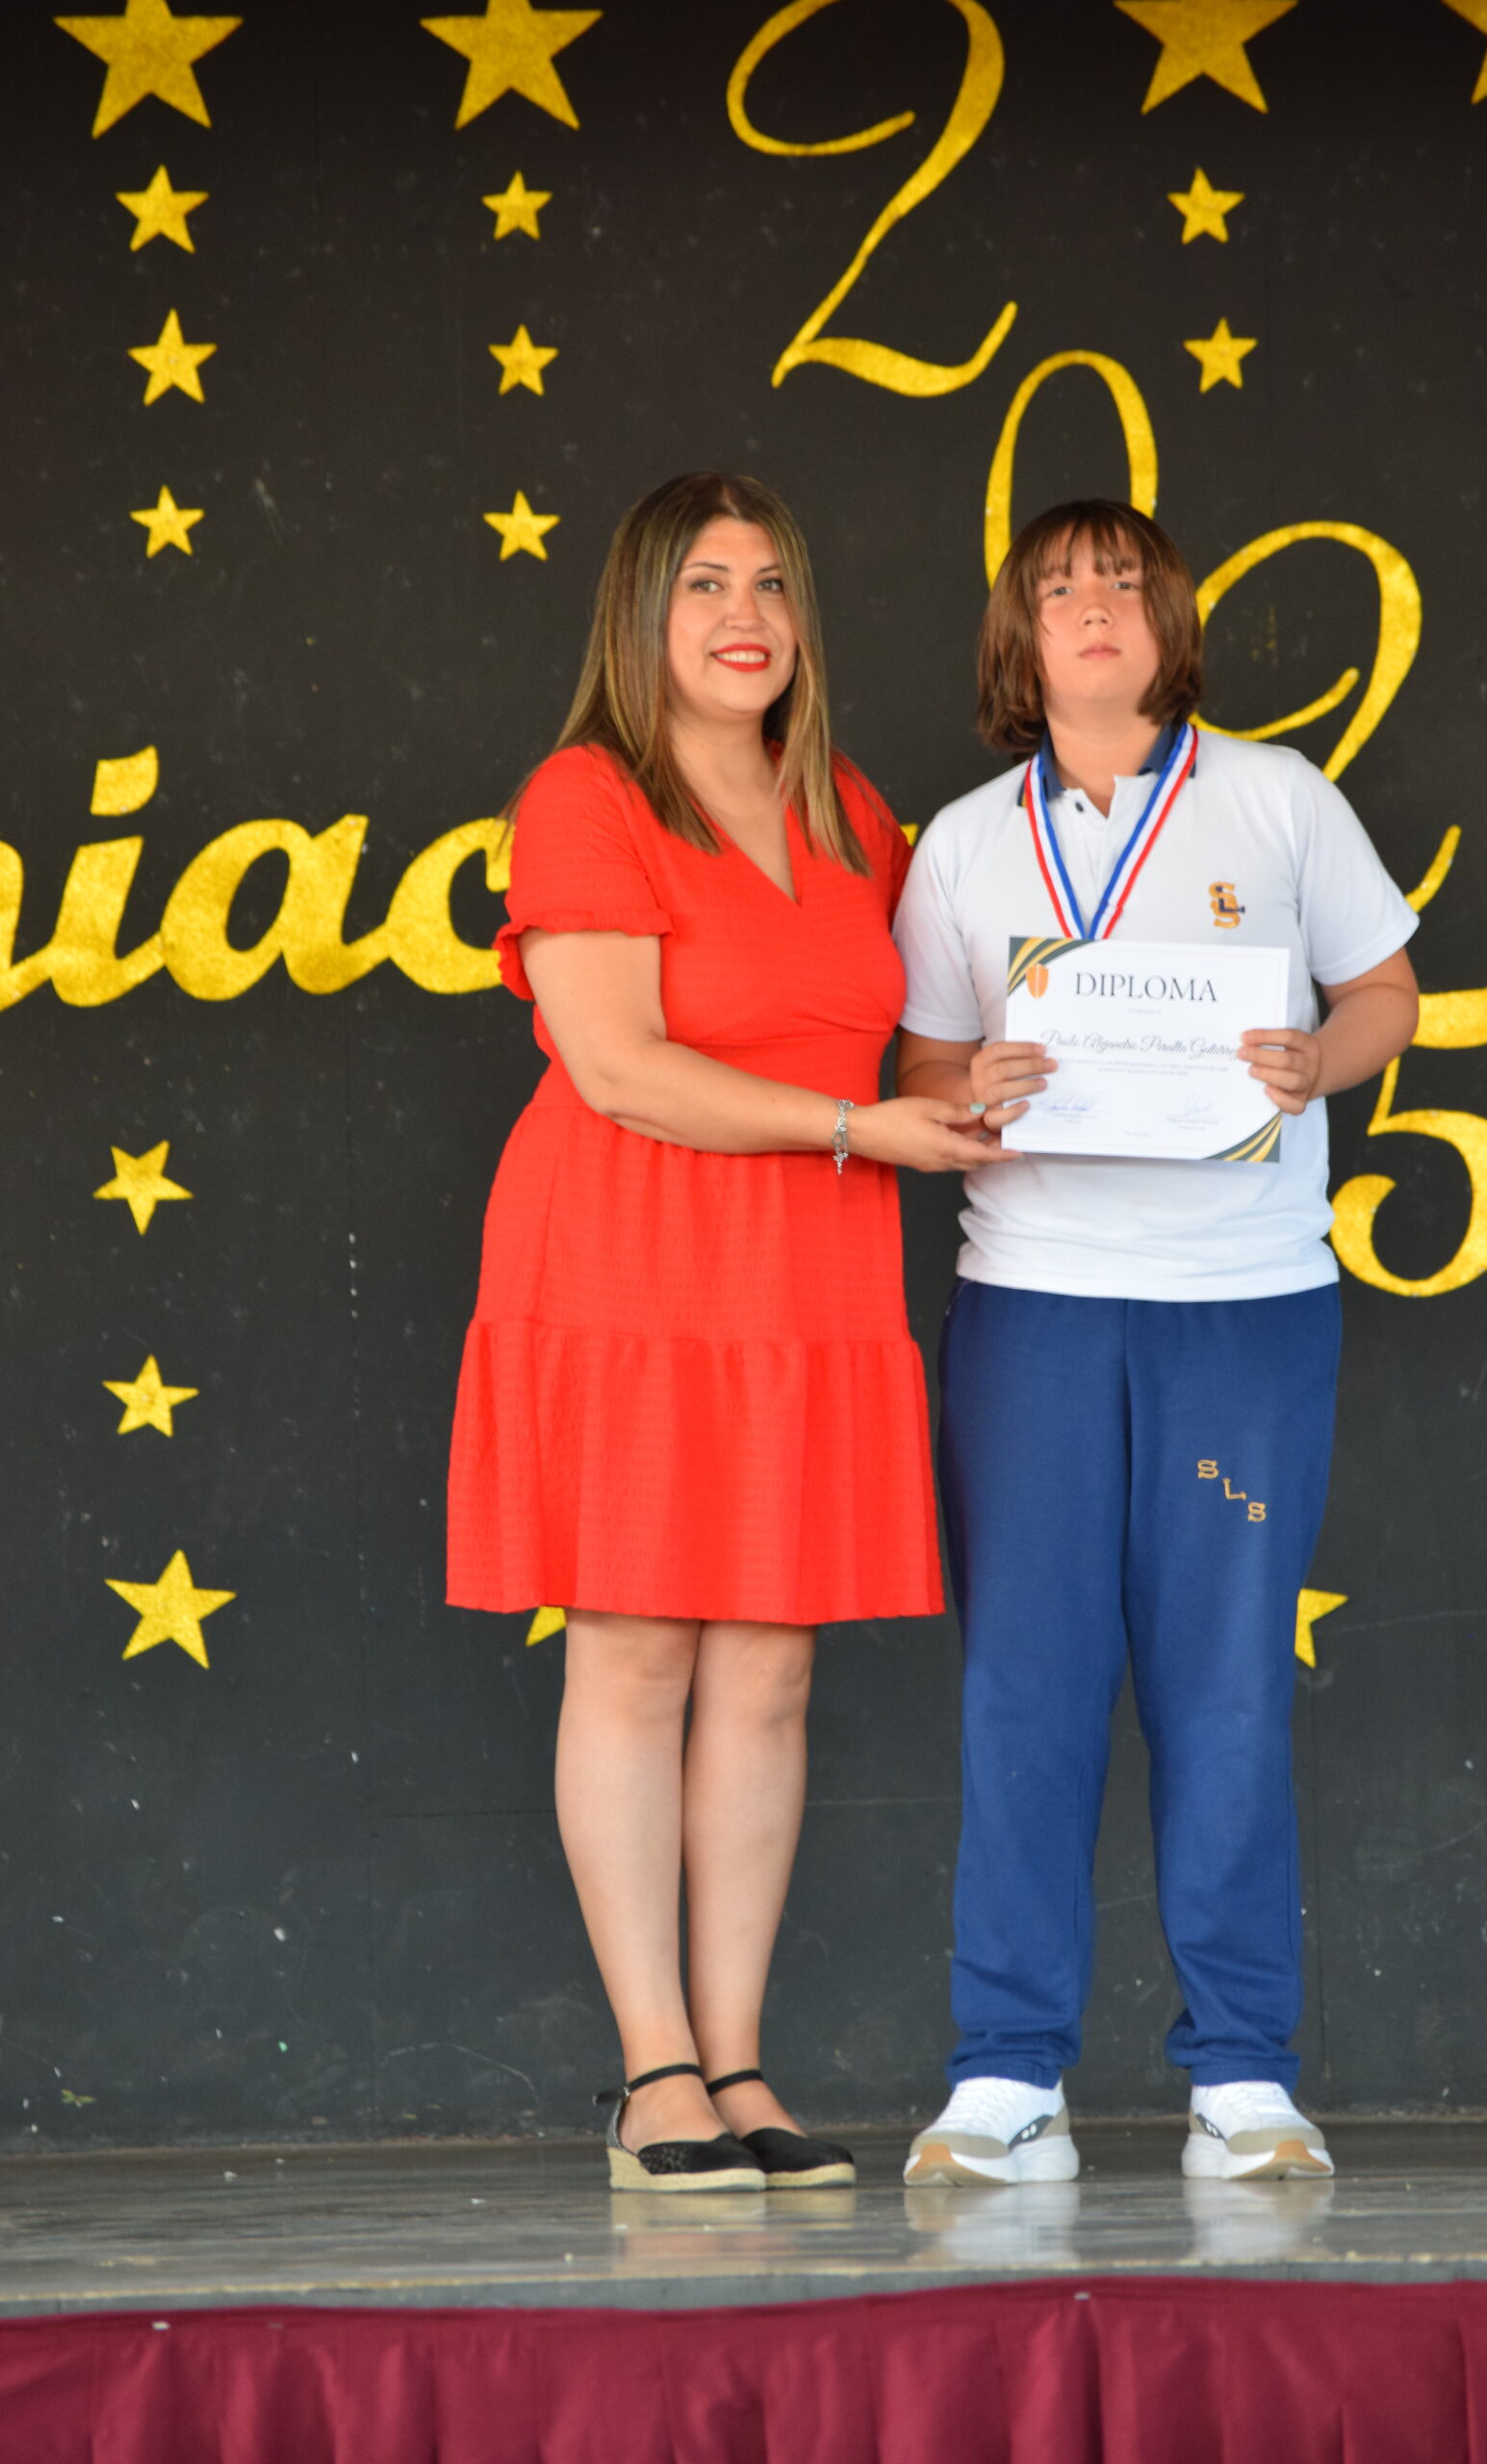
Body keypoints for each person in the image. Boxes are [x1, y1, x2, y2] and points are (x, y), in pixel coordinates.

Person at [448, 471, 1005, 2193]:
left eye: (768, 583)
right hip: (630, 1251)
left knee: (770, 1666)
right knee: (633, 1650)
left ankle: (741, 2064)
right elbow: (619, 1066)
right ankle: (654, 2075)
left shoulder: (851, 807)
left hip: (806, 1270)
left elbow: (896, 1040)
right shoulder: (586, 795)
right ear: (641, 614)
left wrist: (989, 1078)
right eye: (703, 584)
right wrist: (859, 1129)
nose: (742, 615)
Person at [893, 499, 1420, 2187]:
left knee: (1228, 1686)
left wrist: (1323, 1062)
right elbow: (921, 1064)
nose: (1095, 608)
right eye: (1059, 589)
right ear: (1020, 639)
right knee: (1025, 1688)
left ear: (1170, 620)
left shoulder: (1278, 796)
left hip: (1246, 1302)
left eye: (1124, 583)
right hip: (1035, 1299)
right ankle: (1007, 2075)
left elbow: (1387, 992)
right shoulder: (964, 841)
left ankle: (1244, 2077)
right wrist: (966, 1089)